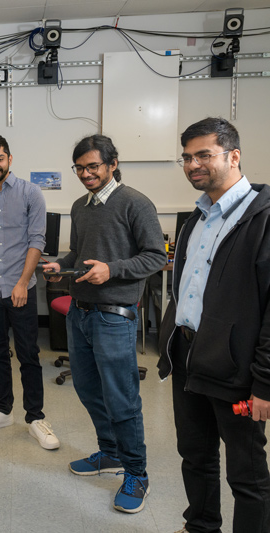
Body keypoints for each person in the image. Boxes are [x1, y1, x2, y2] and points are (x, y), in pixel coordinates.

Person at [42, 134, 165, 514]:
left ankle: (137, 473)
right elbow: (80, 252)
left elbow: (155, 257)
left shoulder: (135, 203)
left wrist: (112, 270)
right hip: (80, 313)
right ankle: (110, 453)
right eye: (79, 168)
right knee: (89, 390)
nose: (85, 174)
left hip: (114, 318)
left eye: (92, 166)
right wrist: (60, 266)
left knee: (122, 398)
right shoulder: (80, 206)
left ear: (112, 164)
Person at [158, 117, 270, 533]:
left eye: (204, 155)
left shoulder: (262, 218)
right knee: (195, 455)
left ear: (233, 156)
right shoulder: (197, 218)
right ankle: (201, 526)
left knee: (247, 473)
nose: (193, 165)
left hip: (236, 368)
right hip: (189, 354)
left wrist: (265, 383)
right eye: (187, 157)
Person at [0, 134, 59, 450]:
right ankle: (3, 409)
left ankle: (35, 418)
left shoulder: (31, 193)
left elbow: (37, 240)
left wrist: (22, 283)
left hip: (22, 288)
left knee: (29, 354)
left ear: (9, 159)